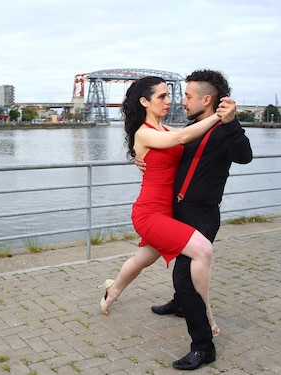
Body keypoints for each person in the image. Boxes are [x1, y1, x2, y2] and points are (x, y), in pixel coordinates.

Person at [98, 75, 236, 366]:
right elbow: (182, 139)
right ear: (145, 102)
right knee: (202, 250)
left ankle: (113, 291)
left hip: (168, 211)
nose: (169, 100)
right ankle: (208, 314)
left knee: (143, 257)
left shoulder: (165, 128)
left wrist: (228, 123)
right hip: (149, 213)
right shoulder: (145, 132)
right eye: (161, 96)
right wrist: (217, 118)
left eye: (169, 95)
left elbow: (187, 144)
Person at [142, 69, 252, 370]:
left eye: (188, 96)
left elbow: (245, 155)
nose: (183, 101)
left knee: (185, 277)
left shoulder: (223, 130)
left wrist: (232, 122)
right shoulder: (195, 127)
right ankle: (181, 304)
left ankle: (204, 348)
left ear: (206, 99)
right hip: (179, 210)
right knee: (179, 265)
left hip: (201, 214)